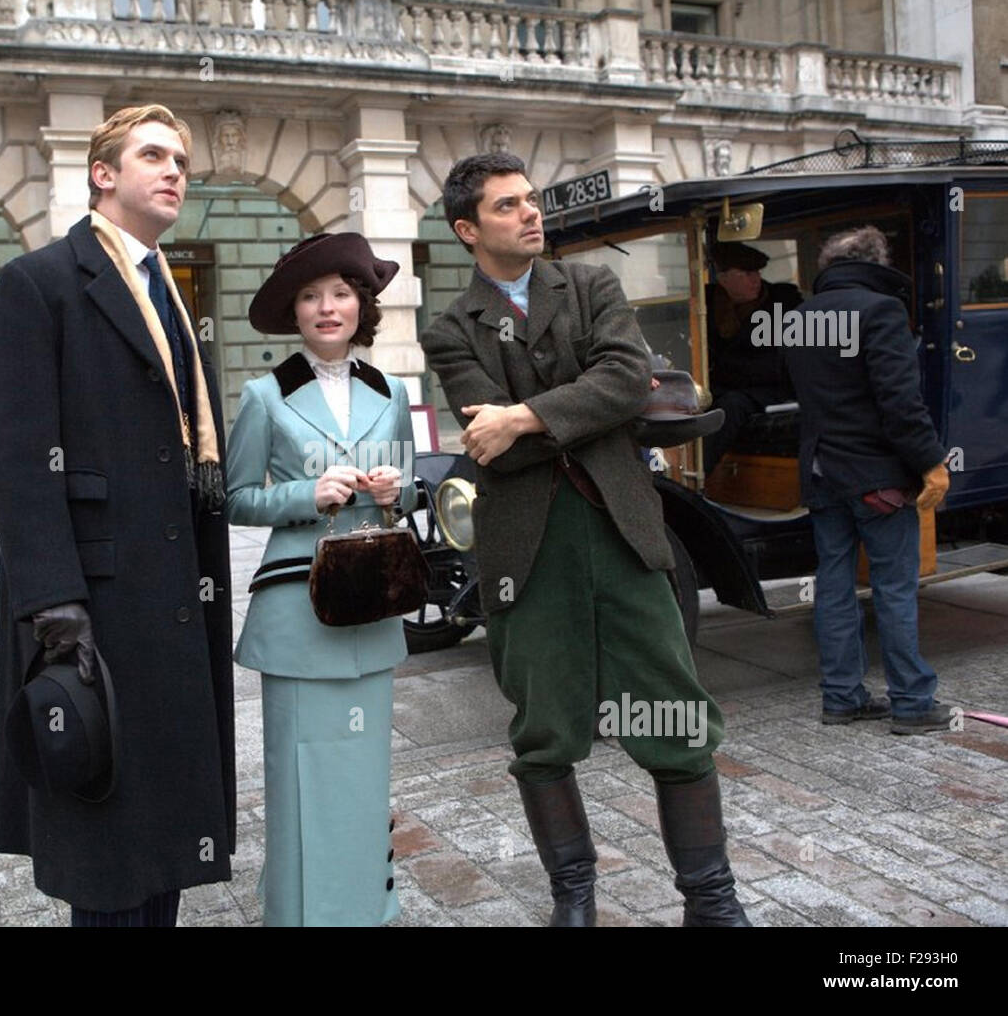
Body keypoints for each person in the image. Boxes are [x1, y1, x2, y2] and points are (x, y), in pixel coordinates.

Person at [419, 152, 749, 928]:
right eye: (507, 205)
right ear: (468, 230)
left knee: (673, 713)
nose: (530, 212)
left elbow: (627, 379)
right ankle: (574, 896)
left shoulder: (592, 285)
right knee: (544, 731)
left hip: (622, 533)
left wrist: (524, 414)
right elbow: (491, 443)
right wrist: (574, 412)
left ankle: (711, 900)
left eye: (530, 199)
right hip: (526, 551)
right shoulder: (449, 329)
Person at [0, 104, 236, 927]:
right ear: (102, 173)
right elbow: (16, 458)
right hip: (94, 600)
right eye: (153, 155)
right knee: (107, 839)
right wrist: (53, 603)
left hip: (174, 592)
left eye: (182, 162)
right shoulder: (40, 282)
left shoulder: (168, 291)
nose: (173, 172)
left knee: (164, 827)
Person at [225, 233, 417, 926]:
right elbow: (235, 498)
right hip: (297, 616)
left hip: (372, 603)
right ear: (294, 312)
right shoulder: (264, 395)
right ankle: (298, 911)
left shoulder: (392, 392)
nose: (327, 307)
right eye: (310, 296)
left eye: (340, 293)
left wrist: (395, 490)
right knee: (300, 771)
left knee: (363, 769)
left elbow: (412, 493)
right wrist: (306, 494)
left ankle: (366, 905)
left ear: (361, 305)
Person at [782, 225, 951, 734]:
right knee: (893, 587)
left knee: (834, 584)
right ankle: (912, 703)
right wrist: (931, 461)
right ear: (876, 263)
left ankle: (842, 697)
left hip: (821, 472)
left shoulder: (800, 318)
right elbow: (901, 403)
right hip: (877, 476)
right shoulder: (882, 311)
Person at [703, 241, 803, 474]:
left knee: (731, 406)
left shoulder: (784, 303)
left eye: (757, 272)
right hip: (717, 388)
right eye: (747, 274)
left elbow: (786, 360)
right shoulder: (705, 304)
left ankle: (696, 475)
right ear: (723, 278)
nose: (756, 279)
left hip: (769, 390)